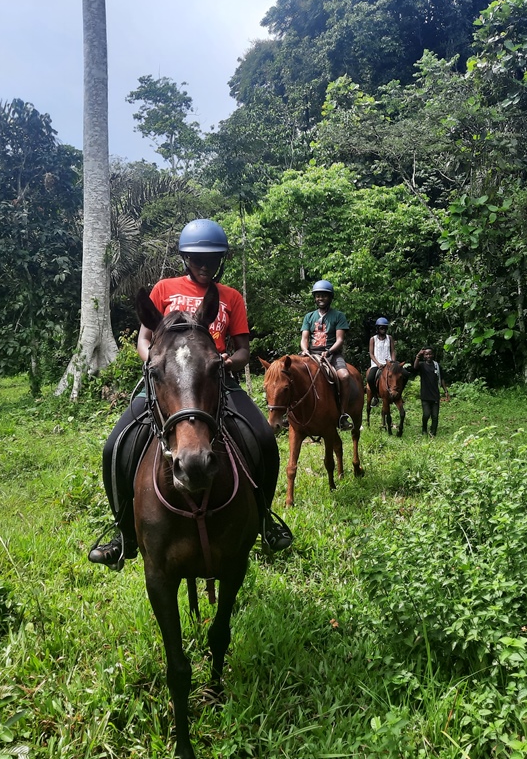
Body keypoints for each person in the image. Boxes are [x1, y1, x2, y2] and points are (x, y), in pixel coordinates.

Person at [89, 219, 293, 570]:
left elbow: (243, 349)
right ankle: (123, 533)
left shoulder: (230, 297)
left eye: (212, 259)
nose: (204, 264)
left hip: (214, 382)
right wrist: (154, 362)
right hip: (167, 382)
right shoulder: (164, 289)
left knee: (262, 437)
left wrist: (226, 361)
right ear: (185, 257)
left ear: (220, 261)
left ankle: (264, 520)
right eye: (197, 258)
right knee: (115, 445)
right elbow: (144, 338)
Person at [300, 279, 355, 431]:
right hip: (311, 354)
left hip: (332, 354)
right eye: (318, 296)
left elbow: (340, 339)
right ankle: (291, 413)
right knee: (292, 374)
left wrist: (329, 351)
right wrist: (304, 349)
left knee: (344, 376)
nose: (320, 298)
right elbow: (304, 338)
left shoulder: (338, 316)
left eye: (324, 295)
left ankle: (343, 414)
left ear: (330, 297)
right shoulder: (309, 317)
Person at [410, 347, 449, 437]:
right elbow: (415, 367)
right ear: (424, 356)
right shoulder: (422, 365)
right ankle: (424, 429)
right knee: (426, 414)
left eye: (430, 354)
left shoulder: (437, 365)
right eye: (426, 354)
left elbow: (442, 379)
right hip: (425, 395)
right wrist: (417, 356)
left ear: (433, 355)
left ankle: (433, 432)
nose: (428, 356)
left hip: (435, 395)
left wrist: (445, 391)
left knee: (435, 416)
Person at [366, 317, 395, 406]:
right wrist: (378, 364)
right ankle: (375, 396)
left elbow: (393, 351)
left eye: (385, 328)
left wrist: (393, 362)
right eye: (382, 328)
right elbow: (371, 354)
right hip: (376, 364)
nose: (384, 330)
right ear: (378, 328)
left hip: (389, 364)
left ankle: (397, 395)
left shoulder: (389, 338)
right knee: (370, 378)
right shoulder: (373, 339)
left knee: (403, 374)